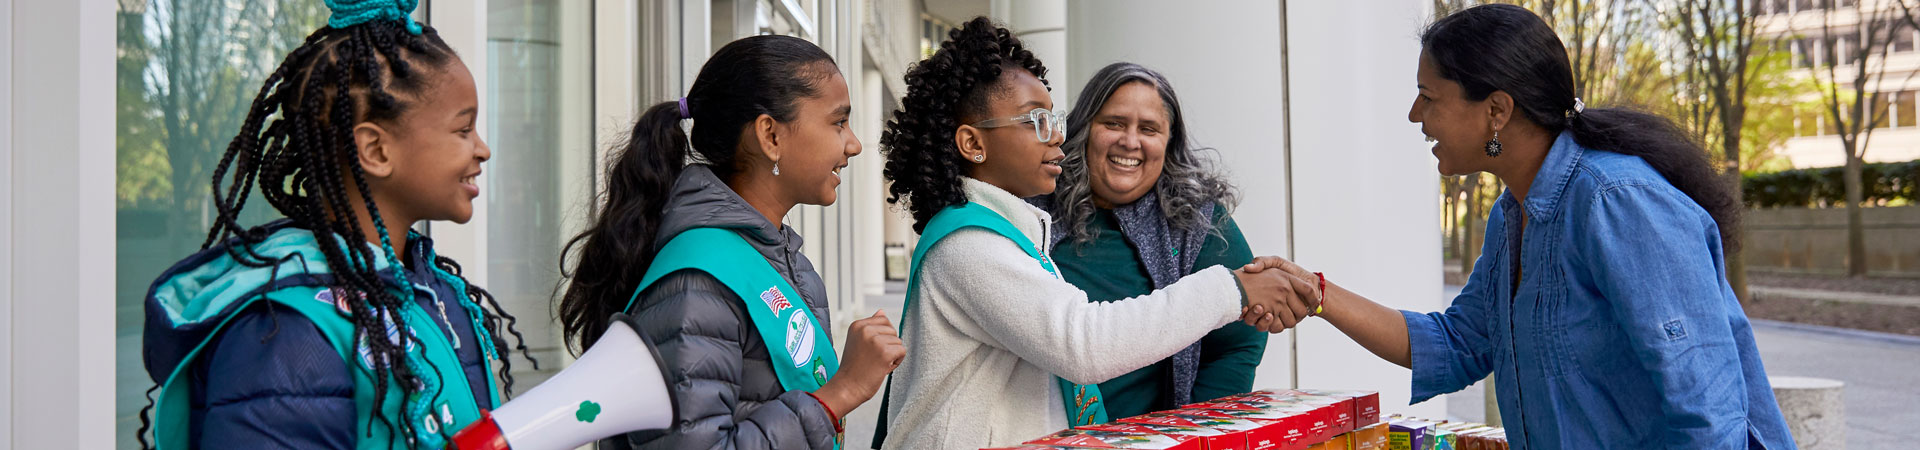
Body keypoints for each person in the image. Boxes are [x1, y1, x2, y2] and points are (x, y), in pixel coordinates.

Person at [1244, 5, 1794, 448]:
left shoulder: (1618, 200)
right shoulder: (1513, 216)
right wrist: (1315, 293)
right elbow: (1457, 342)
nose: (1416, 115)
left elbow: (1708, 408)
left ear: (1497, 110)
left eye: (1429, 97)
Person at [873, 17, 1311, 449]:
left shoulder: (1005, 230)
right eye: (1035, 121)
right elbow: (1082, 342)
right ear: (973, 144)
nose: (1054, 137)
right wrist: (1231, 287)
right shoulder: (970, 245)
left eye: (1054, 120)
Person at [140, 3, 535, 448]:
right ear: (376, 151)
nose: (482, 149)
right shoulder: (283, 331)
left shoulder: (436, 292)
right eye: (463, 129)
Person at [554, 35, 904, 450]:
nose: (854, 144)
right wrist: (841, 392)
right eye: (838, 122)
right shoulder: (696, 282)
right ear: (770, 136)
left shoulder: (785, 259)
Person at [1033, 62, 1267, 418]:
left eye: (1149, 129)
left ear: (1169, 141)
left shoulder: (1197, 221)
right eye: (1113, 123)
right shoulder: (1034, 208)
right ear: (1083, 129)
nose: (1130, 141)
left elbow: (1239, 340)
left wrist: (1196, 429)